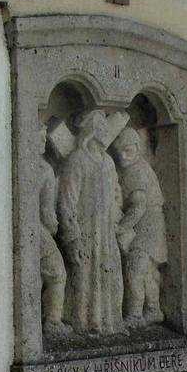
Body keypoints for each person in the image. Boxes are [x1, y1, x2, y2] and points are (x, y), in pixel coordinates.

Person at [57, 110, 124, 335]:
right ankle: (84, 323)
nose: (106, 131)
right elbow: (67, 201)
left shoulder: (108, 162)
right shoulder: (77, 160)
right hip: (85, 230)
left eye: (106, 127)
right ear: (92, 131)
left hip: (106, 232)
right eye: (101, 127)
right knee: (85, 276)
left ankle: (108, 322)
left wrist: (116, 217)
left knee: (110, 275)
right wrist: (72, 238)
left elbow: (116, 193)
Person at [111, 127, 167, 326]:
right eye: (119, 152)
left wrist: (121, 227)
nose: (123, 156)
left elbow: (138, 207)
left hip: (146, 227)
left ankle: (135, 314)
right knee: (147, 271)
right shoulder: (137, 167)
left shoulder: (137, 171)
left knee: (135, 269)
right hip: (152, 225)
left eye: (128, 151)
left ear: (137, 148)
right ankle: (154, 309)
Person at [37, 124, 69, 335]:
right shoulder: (44, 169)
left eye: (44, 138)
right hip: (37, 230)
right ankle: (53, 320)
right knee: (57, 273)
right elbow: (47, 213)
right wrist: (55, 227)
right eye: (40, 138)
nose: (43, 142)